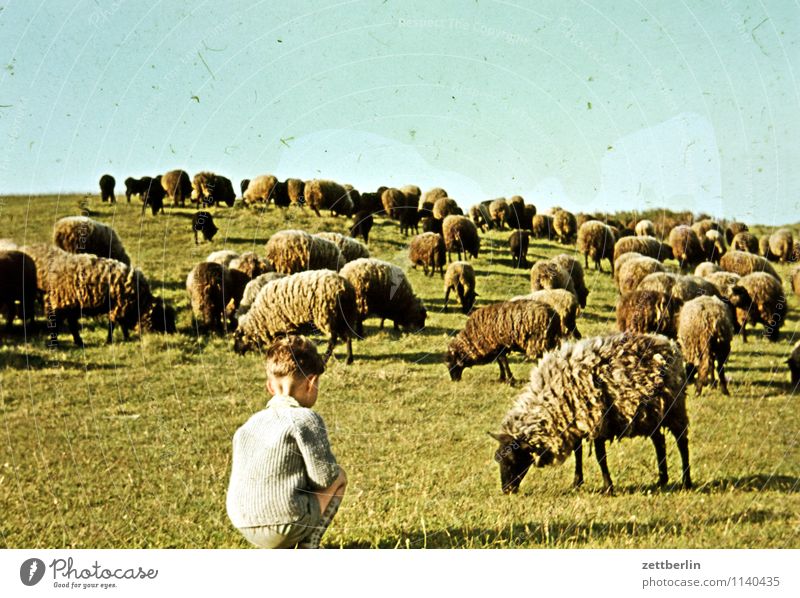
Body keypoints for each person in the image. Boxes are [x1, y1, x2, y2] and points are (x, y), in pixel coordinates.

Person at [226, 335, 347, 548]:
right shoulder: (306, 419)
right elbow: (324, 477)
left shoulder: (248, 425)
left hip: (243, 521)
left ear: (270, 387)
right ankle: (310, 544)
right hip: (286, 521)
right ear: (311, 383)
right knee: (339, 478)